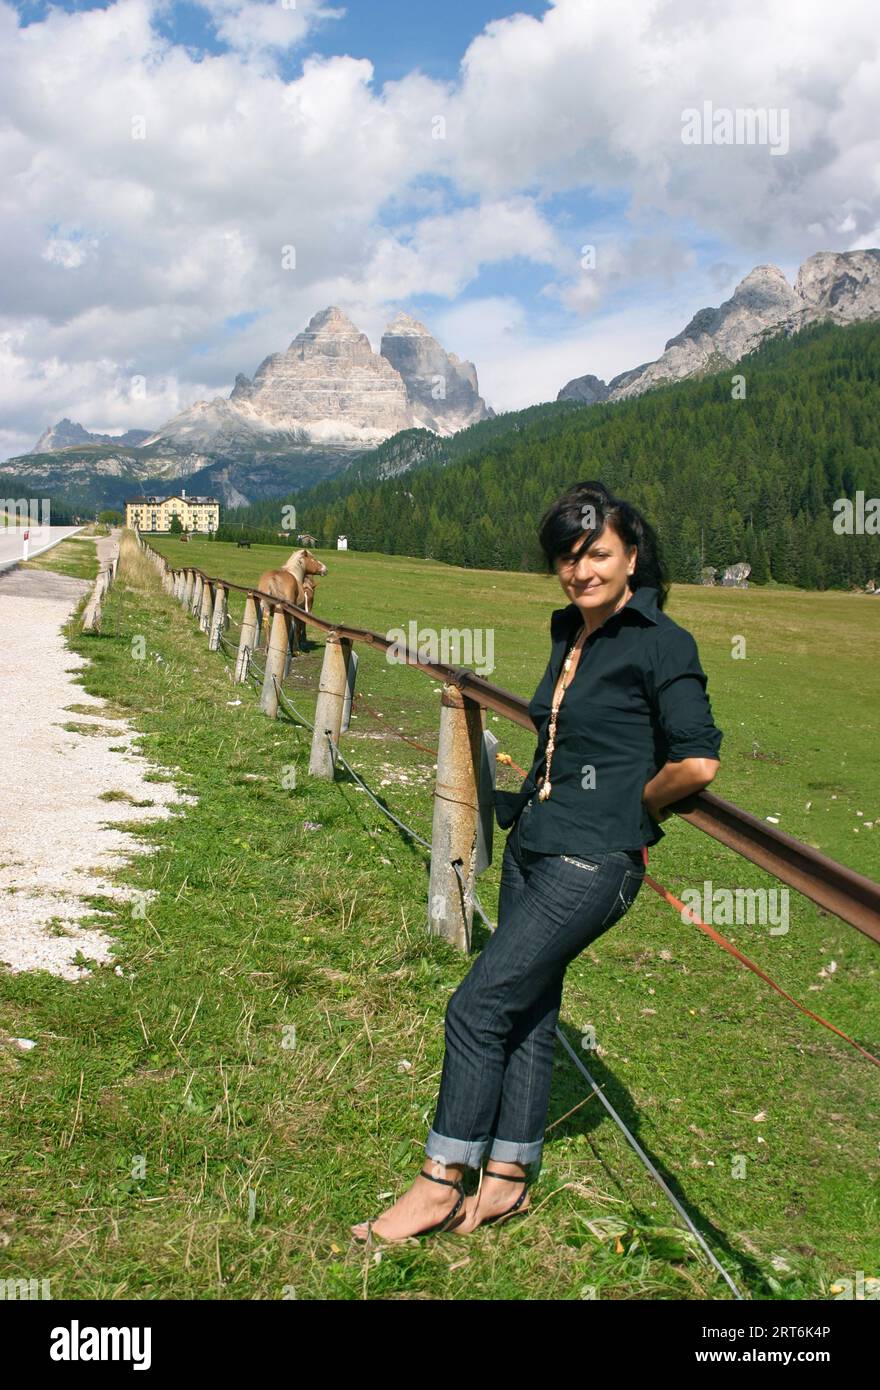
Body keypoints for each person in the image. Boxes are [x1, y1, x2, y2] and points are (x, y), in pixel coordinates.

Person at [351, 481, 723, 1244]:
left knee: (476, 1007)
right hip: (534, 846)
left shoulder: (662, 640)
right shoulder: (570, 630)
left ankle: (438, 1183)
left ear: (631, 555)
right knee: (527, 1010)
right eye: (566, 557)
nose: (579, 570)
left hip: (592, 863)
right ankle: (510, 1179)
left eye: (595, 554)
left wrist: (640, 809)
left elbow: (698, 761)